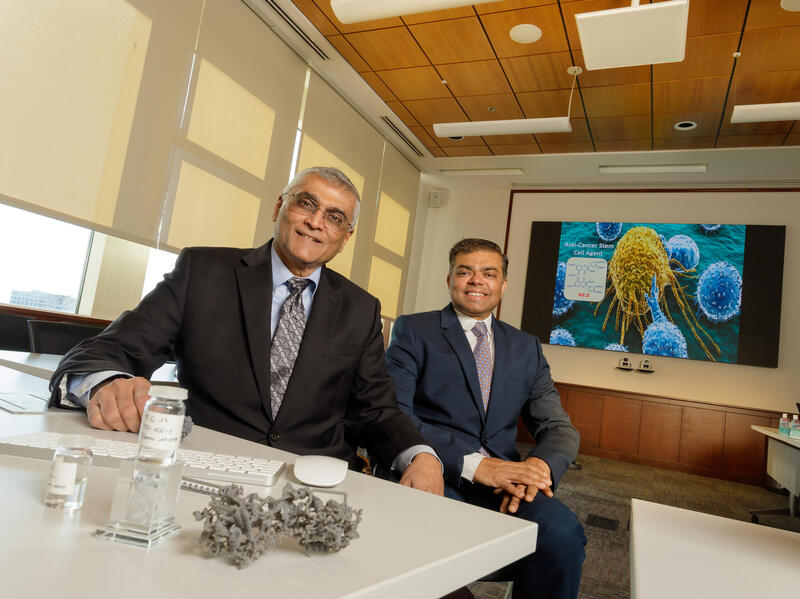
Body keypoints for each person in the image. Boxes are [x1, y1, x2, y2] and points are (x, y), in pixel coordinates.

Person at [50, 166, 442, 493]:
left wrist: (420, 455)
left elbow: (376, 408)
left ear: (345, 238)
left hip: (312, 487)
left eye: (335, 217)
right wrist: (105, 384)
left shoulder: (361, 308)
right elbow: (110, 350)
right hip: (203, 474)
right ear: (279, 206)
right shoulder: (202, 272)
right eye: (307, 203)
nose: (316, 222)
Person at [385, 238, 586, 599]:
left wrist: (539, 469)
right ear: (449, 280)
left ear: (503, 285)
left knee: (562, 532)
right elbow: (396, 411)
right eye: (465, 272)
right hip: (437, 472)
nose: (477, 281)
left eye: (489, 273)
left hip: (506, 485)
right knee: (431, 551)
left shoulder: (526, 347)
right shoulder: (414, 330)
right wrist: (475, 465)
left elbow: (558, 427)